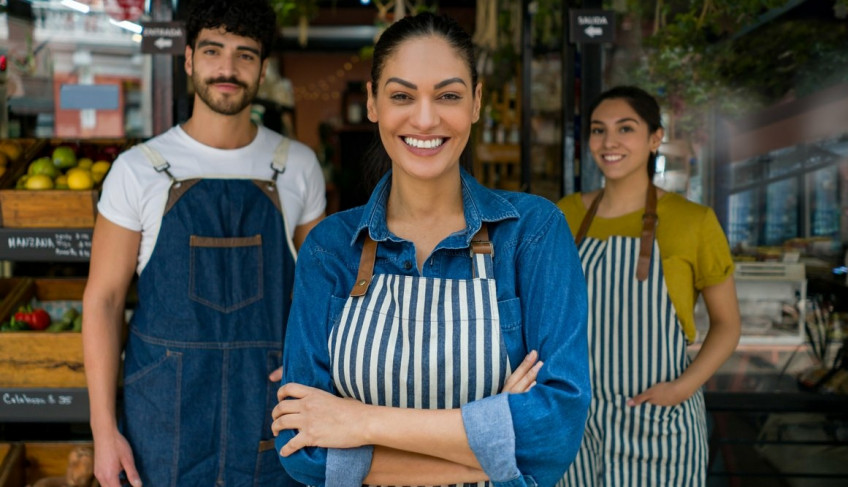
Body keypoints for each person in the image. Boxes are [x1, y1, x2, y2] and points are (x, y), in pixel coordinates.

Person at [270, 12, 590, 487]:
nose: (425, 118)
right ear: (373, 103)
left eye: (448, 96)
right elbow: (302, 447)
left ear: (476, 103)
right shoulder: (330, 248)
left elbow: (555, 431)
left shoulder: (533, 233)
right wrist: (488, 454)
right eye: (401, 95)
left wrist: (360, 422)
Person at [82, 1, 326, 486]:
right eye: (214, 51)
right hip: (163, 418)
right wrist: (103, 431)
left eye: (245, 55)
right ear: (190, 59)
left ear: (262, 68)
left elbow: (323, 296)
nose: (228, 69)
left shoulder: (296, 166)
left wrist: (314, 372)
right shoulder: (138, 170)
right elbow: (103, 301)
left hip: (269, 411)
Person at [556, 85, 741, 486]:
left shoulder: (694, 221)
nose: (609, 142)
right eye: (598, 130)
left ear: (655, 138)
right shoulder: (563, 215)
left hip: (659, 425)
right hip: (577, 423)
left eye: (626, 129)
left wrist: (681, 389)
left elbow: (727, 325)